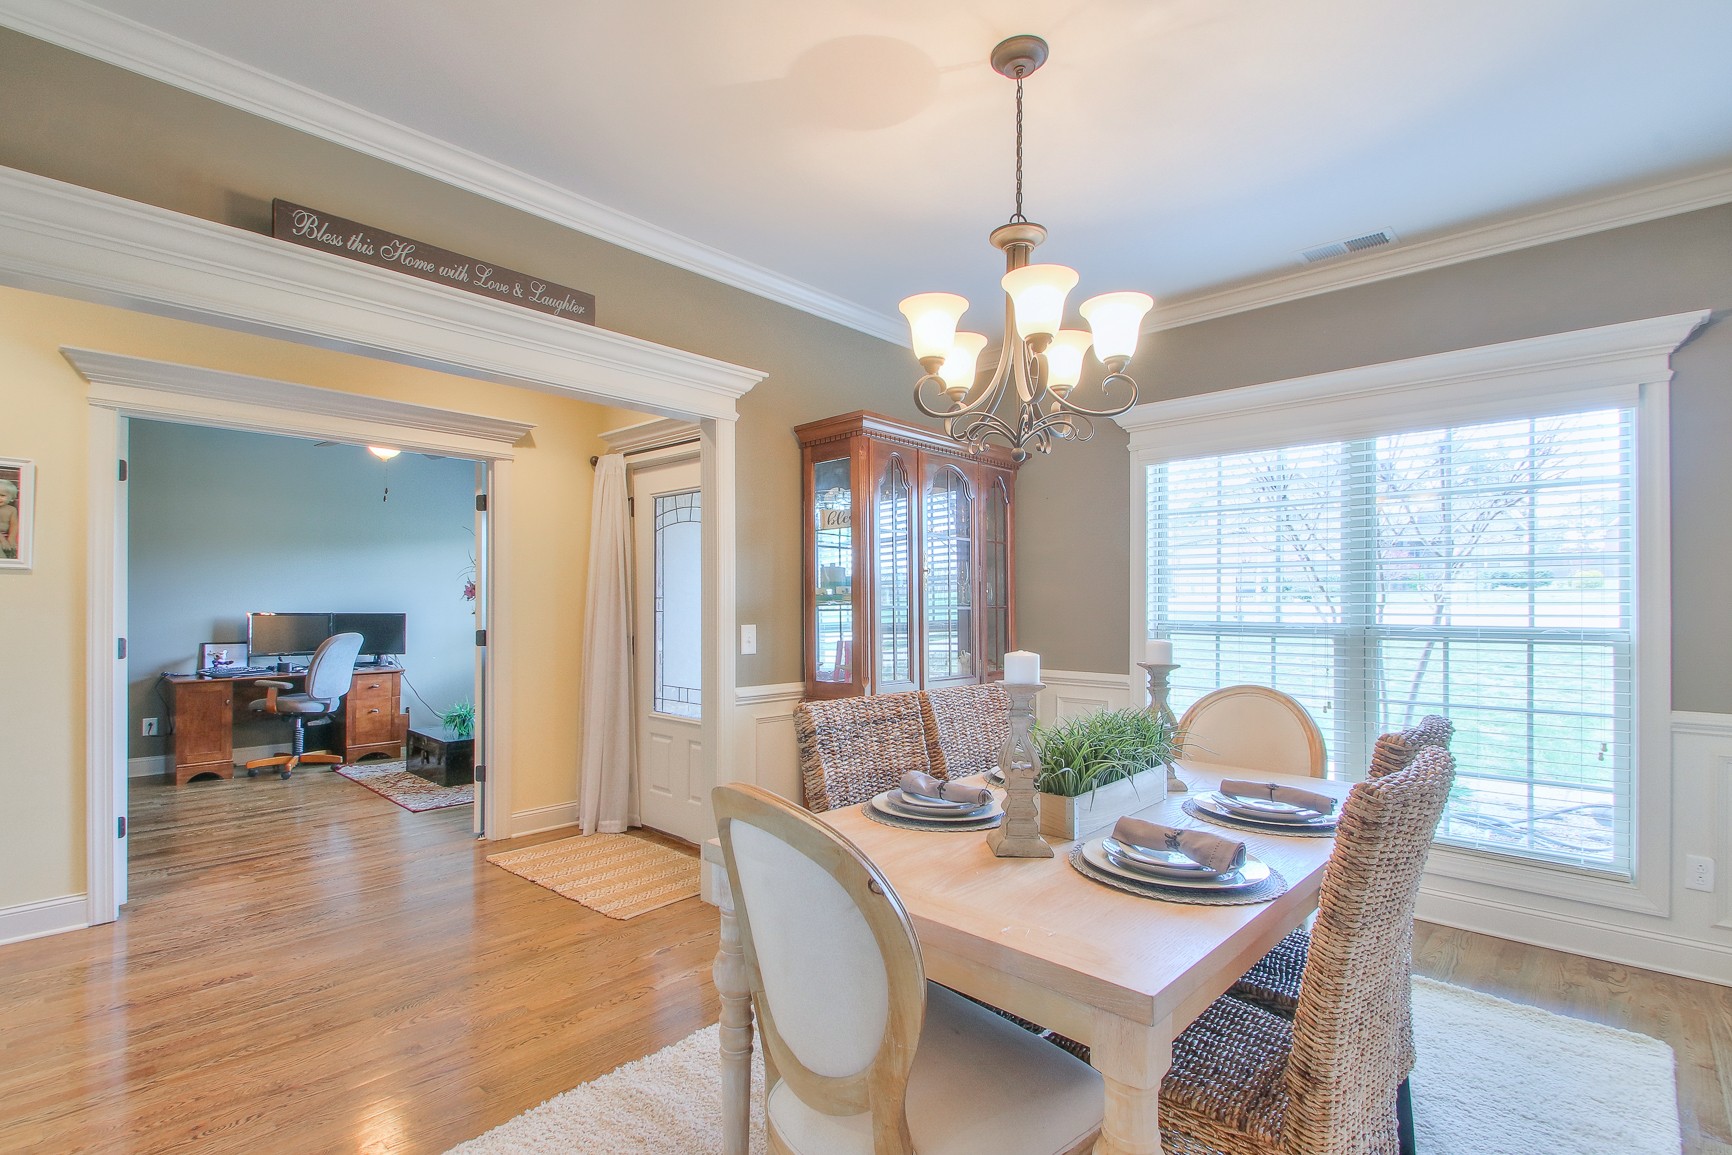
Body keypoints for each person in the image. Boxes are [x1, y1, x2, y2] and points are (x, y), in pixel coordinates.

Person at [0, 477, 18, 560]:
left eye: (2, 495)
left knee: (13, 551)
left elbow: (14, 526)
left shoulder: (12, 510)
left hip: (6, 536)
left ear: (11, 497)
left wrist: (11, 539)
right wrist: (3, 541)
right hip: (1, 538)